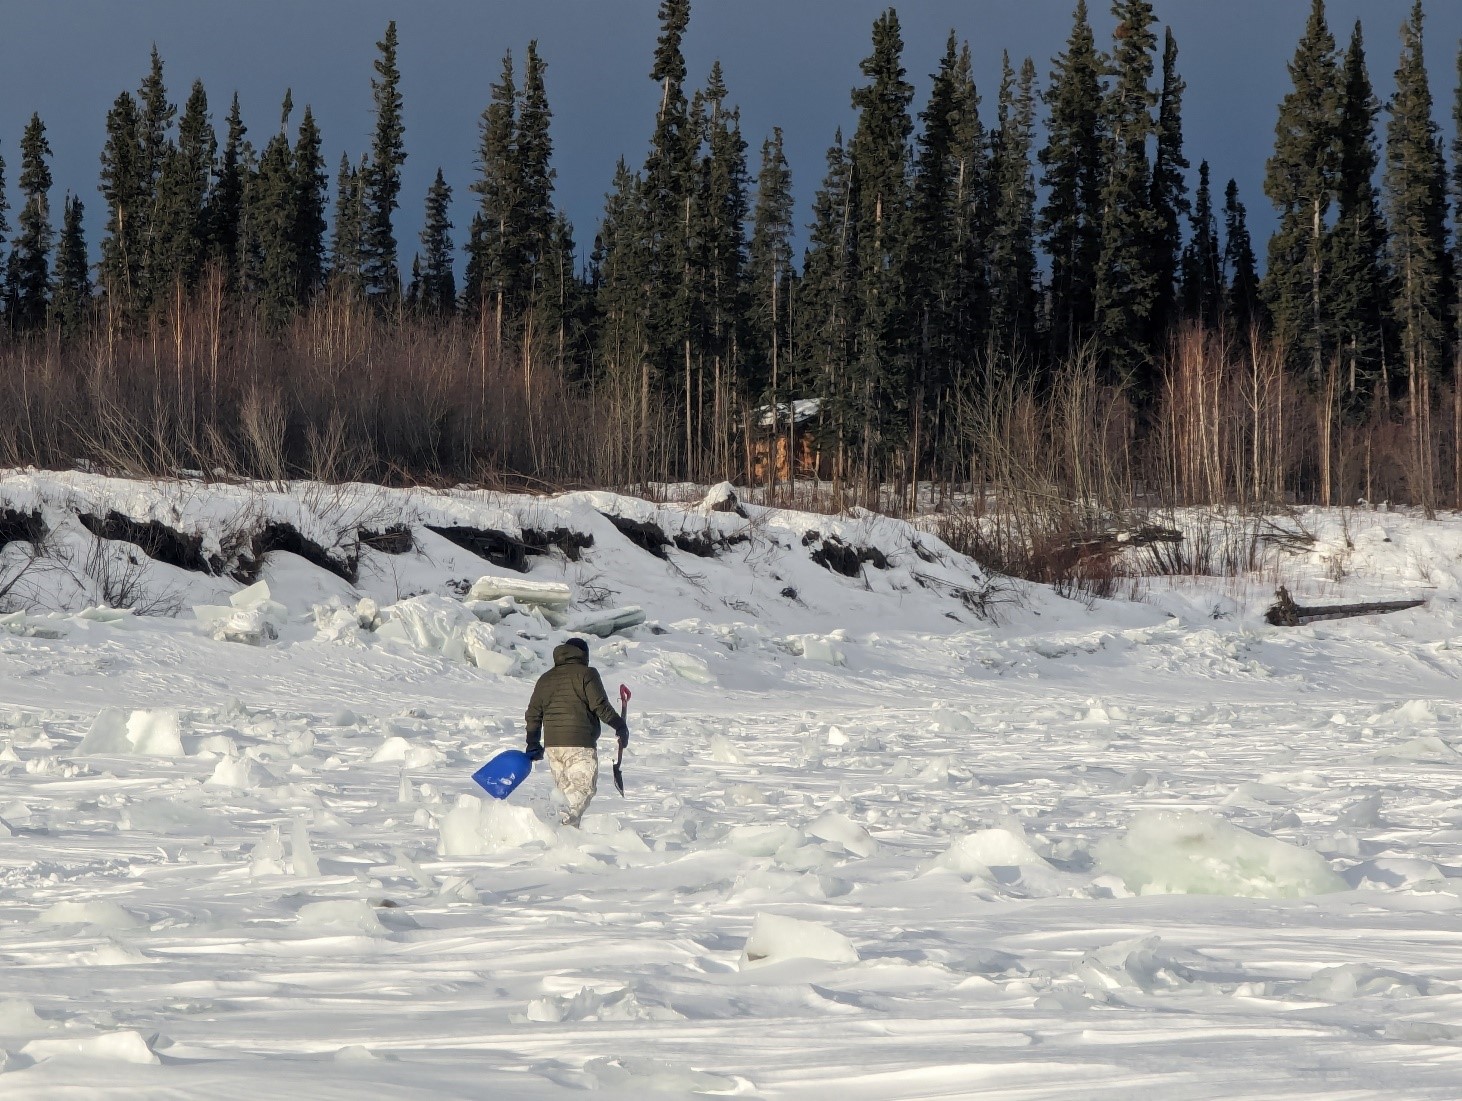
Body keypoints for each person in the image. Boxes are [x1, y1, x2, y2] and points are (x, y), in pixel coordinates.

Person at [524, 637, 628, 827]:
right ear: (583, 654)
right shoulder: (586, 674)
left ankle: (567, 840)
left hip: (553, 747)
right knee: (581, 791)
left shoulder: (546, 678)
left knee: (565, 796)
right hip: (579, 743)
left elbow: (533, 713)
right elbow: (600, 706)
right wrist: (620, 726)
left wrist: (533, 742)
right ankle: (555, 826)